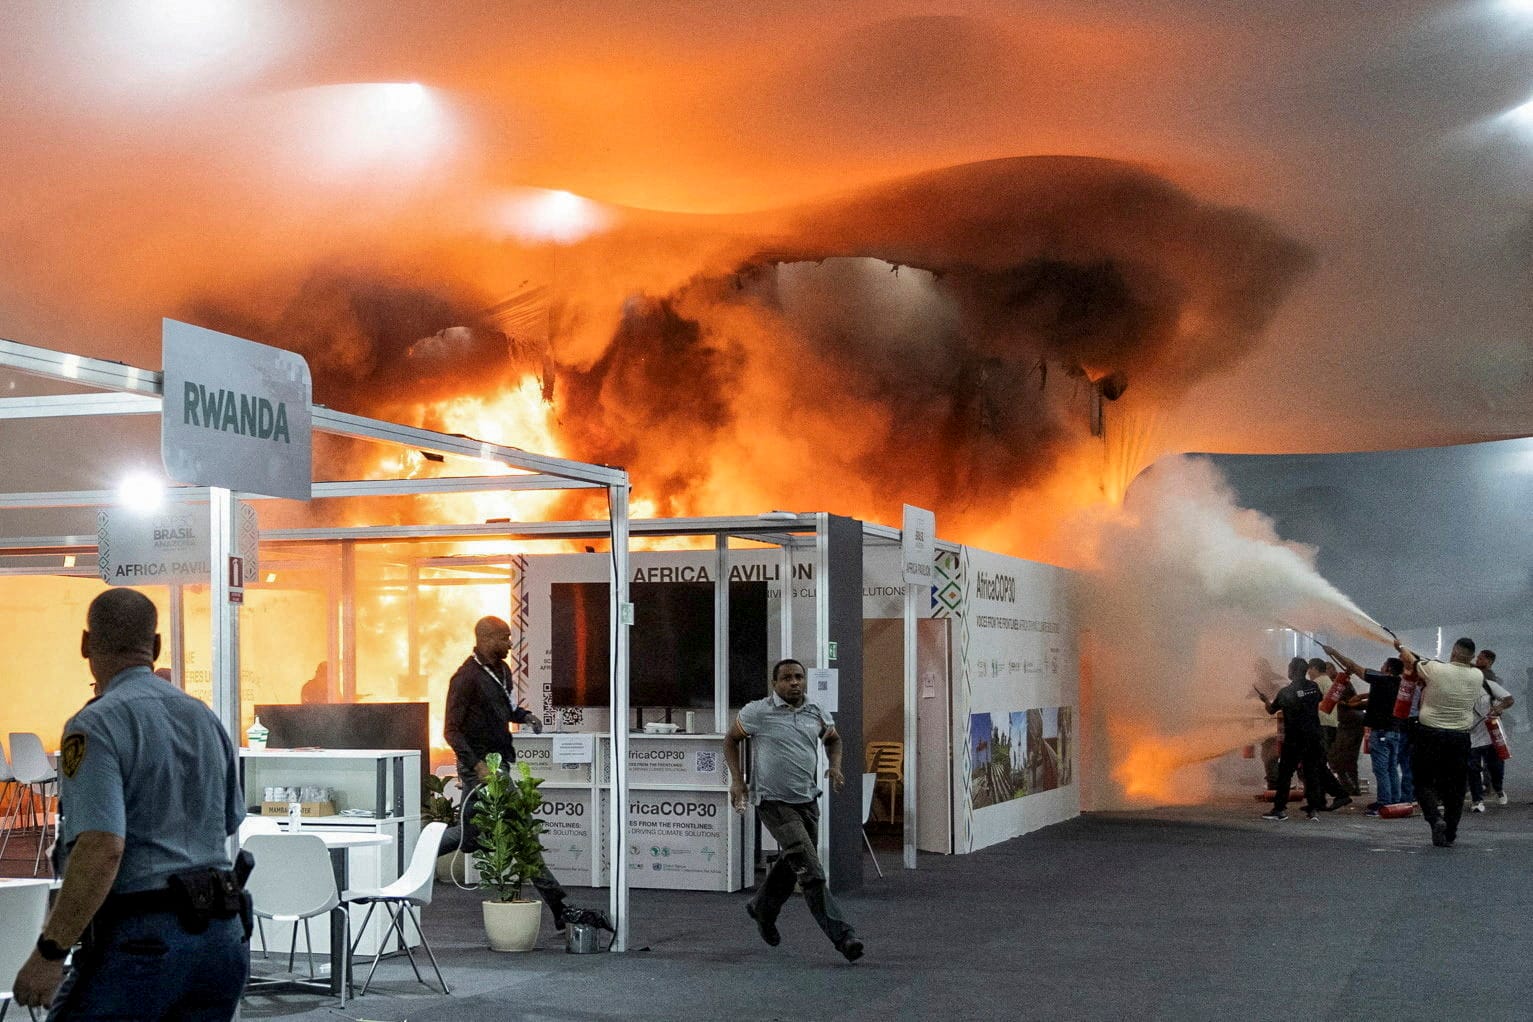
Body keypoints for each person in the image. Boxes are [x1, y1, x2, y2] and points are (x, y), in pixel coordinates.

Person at [11, 588, 250, 1018]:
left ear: (86, 644)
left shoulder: (95, 724)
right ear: (155, 647)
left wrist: (50, 953)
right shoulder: (204, 718)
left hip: (142, 942)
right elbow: (229, 821)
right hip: (221, 939)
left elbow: (102, 847)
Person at [725, 658, 864, 962]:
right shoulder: (757, 712)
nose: (794, 683)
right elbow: (731, 740)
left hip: (807, 801)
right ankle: (844, 937)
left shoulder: (815, 711)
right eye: (787, 678)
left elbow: (834, 740)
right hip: (773, 802)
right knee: (810, 871)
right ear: (774, 683)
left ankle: (762, 907)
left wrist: (836, 766)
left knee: (794, 862)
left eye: (799, 677)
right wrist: (737, 781)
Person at [439, 616, 568, 925]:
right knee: (521, 829)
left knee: (470, 837)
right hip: (481, 769)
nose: (510, 643)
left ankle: (411, 848)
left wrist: (525, 716)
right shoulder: (465, 678)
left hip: (500, 763)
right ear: (485, 639)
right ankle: (560, 906)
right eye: (504, 638)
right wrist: (477, 765)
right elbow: (451, 730)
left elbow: (507, 709)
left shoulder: (502, 671)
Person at [1396, 635, 1485, 847]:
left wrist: (1400, 646)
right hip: (1460, 737)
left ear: (1453, 652)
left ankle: (1435, 819)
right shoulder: (1477, 675)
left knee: (1423, 781)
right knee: (1455, 787)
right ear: (1472, 657)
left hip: (1429, 735)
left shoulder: (1435, 669)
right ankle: (1450, 832)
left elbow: (1410, 661)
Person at [1260, 657, 1348, 821]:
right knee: (1311, 772)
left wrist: (1265, 700)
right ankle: (1313, 810)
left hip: (1294, 738)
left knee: (1285, 774)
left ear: (1293, 671)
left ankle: (1279, 809)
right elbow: (1319, 699)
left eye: (1289, 668)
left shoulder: (1286, 692)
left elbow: (1272, 710)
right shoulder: (1313, 687)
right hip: (1314, 736)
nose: (1288, 671)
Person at [1324, 648, 1405, 814]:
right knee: (1391, 768)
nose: (1381, 667)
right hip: (1394, 731)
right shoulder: (1398, 683)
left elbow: (1354, 666)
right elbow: (1374, 701)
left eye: (1383, 665)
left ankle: (1383, 803)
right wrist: (1356, 701)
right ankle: (1394, 801)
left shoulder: (1382, 679)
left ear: (1388, 669)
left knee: (1381, 769)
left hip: (1381, 732)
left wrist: (1334, 652)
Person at [1466, 650, 1513, 812]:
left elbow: (1509, 699)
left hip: (1490, 732)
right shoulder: (1460, 689)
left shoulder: (1488, 684)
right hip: (1470, 734)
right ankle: (1477, 800)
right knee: (1472, 767)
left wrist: (1499, 708)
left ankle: (1498, 788)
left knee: (1495, 765)